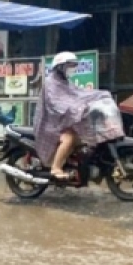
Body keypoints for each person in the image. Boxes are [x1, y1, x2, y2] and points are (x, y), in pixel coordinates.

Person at [34, 52, 122, 180]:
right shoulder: (50, 83)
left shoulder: (65, 82)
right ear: (60, 66)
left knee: (84, 137)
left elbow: (80, 94)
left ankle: (73, 164)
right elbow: (57, 104)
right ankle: (56, 168)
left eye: (74, 65)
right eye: (70, 65)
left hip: (63, 123)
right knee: (70, 138)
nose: (73, 68)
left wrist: (99, 96)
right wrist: (79, 108)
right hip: (51, 124)